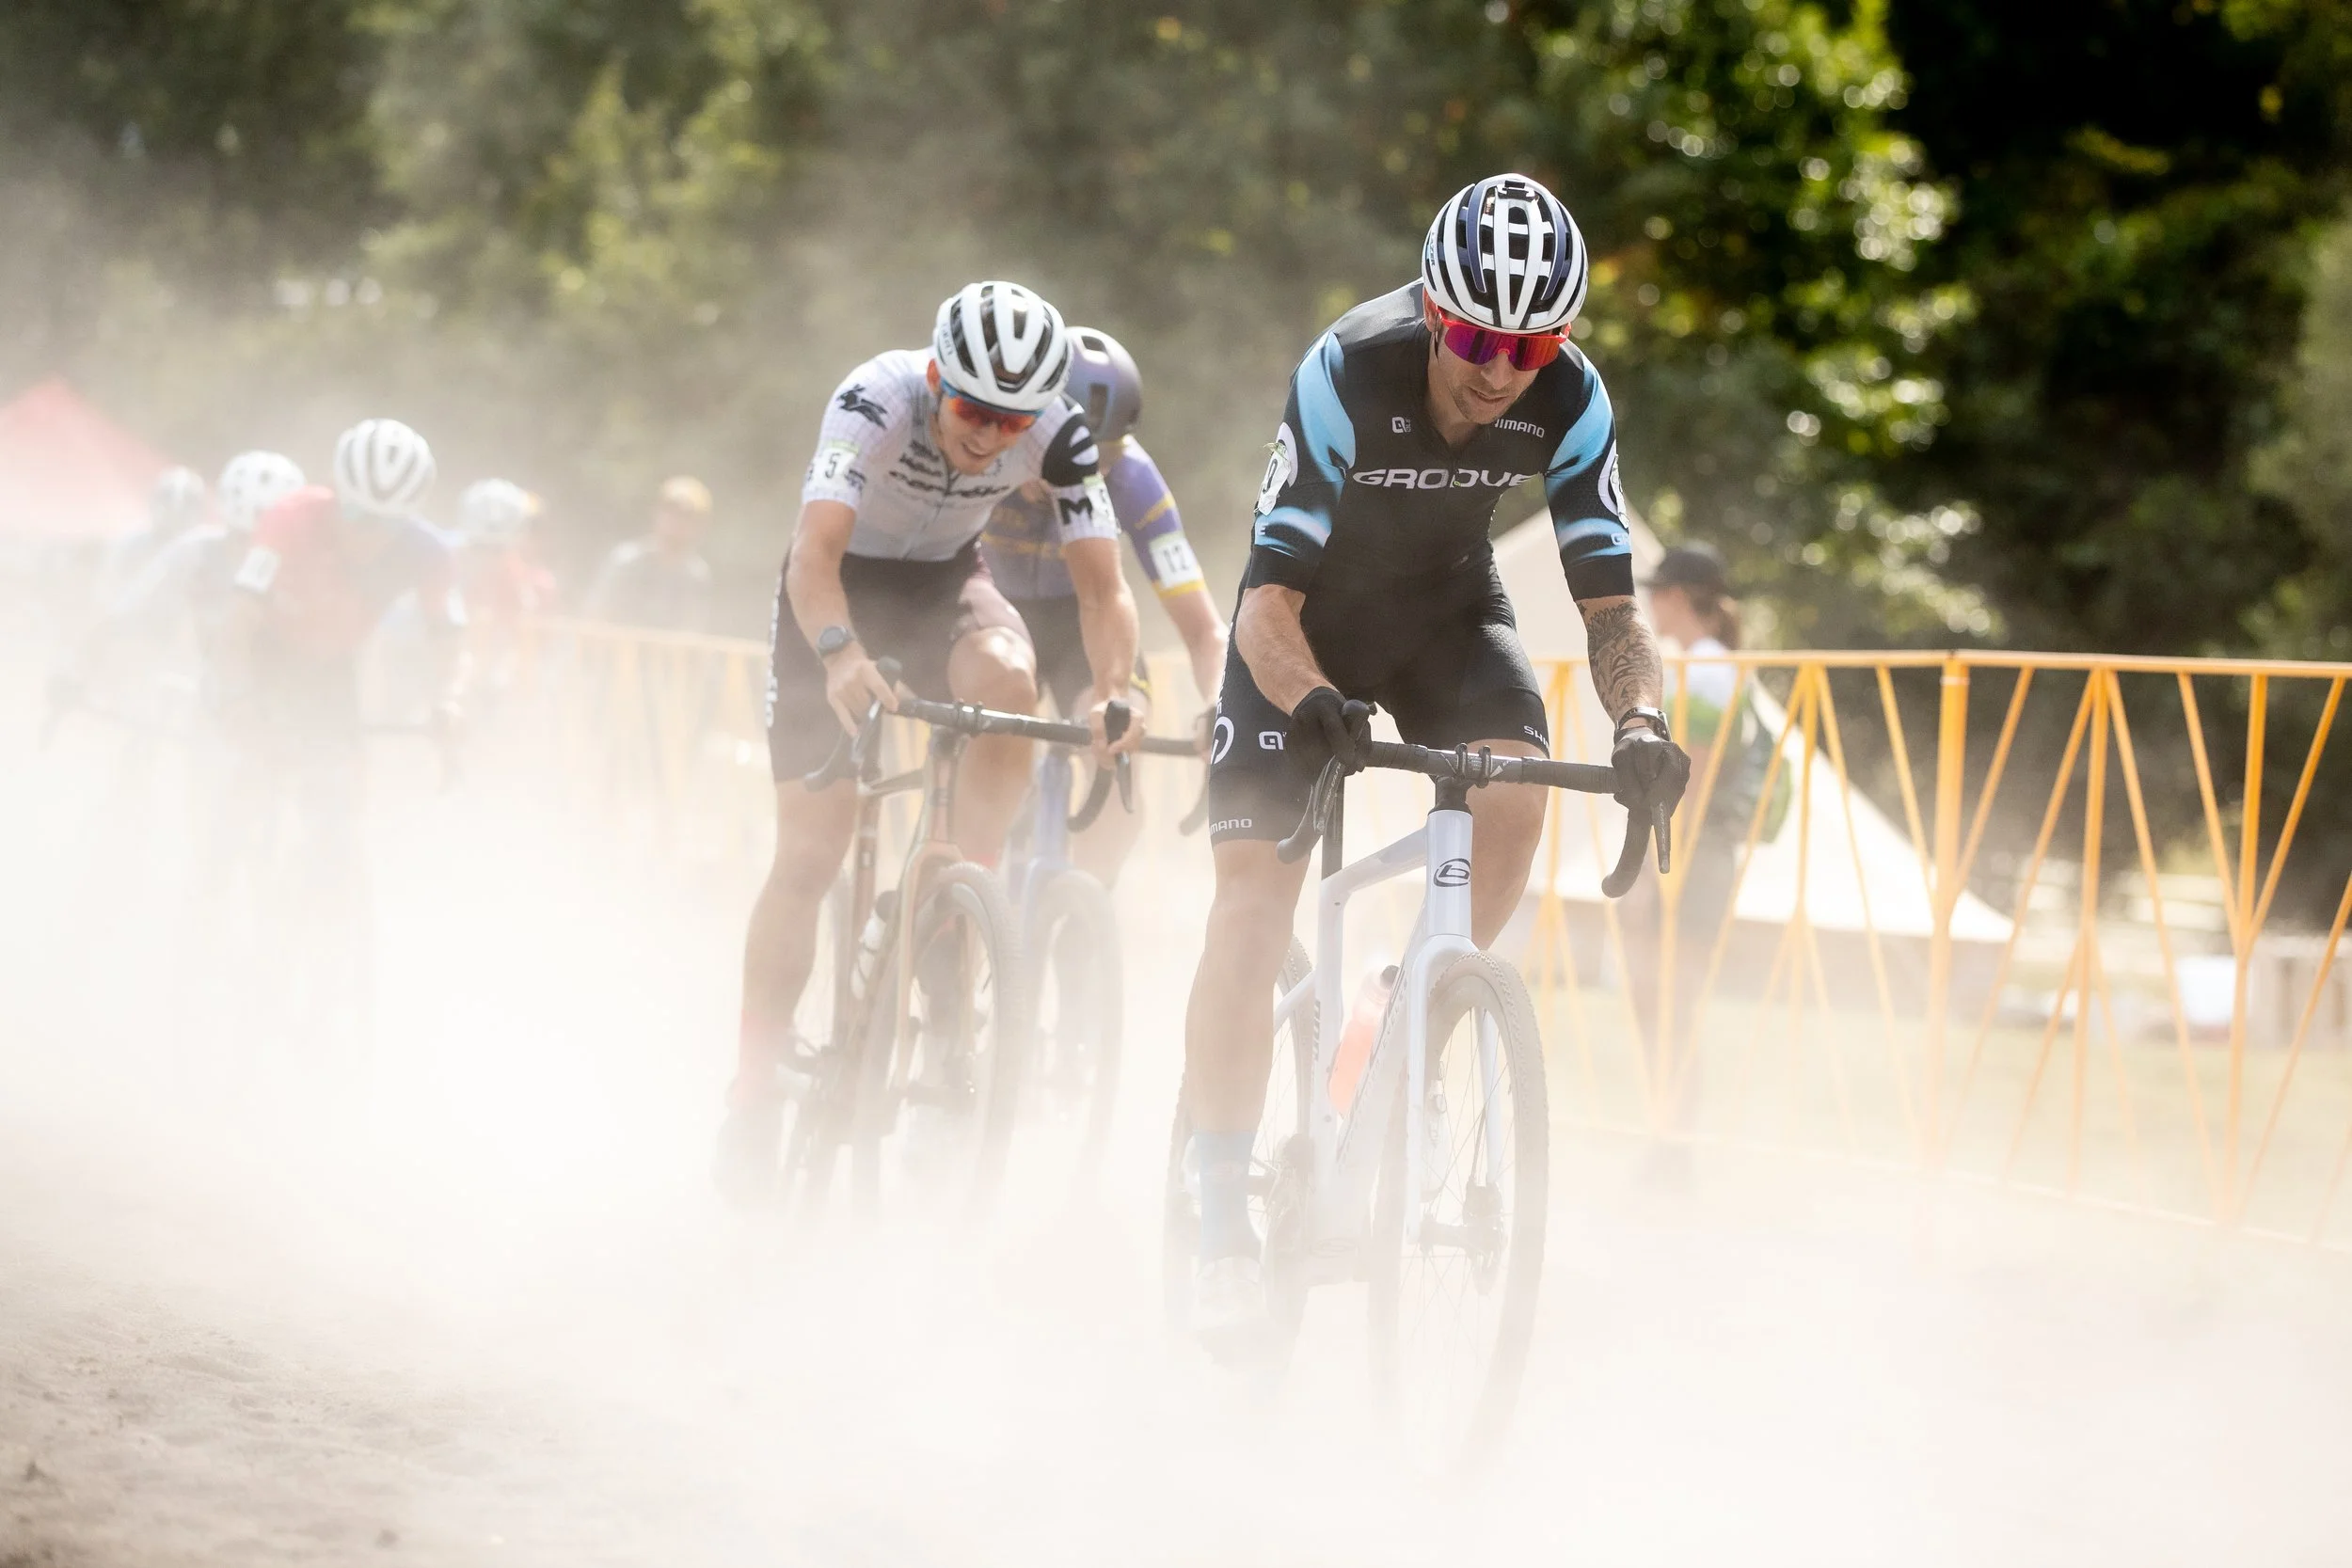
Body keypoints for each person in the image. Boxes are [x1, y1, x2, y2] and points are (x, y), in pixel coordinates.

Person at [1179, 174, 1692, 1335]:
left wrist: (1641, 722)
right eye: (1473, 339)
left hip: (1447, 615)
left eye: (1531, 345)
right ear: (1429, 309)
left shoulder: (1572, 397)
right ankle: (1217, 1220)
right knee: (1250, 910)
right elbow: (1264, 603)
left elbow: (1612, 613)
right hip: (1303, 626)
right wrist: (1310, 697)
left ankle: (1407, 1018)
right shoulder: (1348, 368)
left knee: (1513, 796)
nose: (1499, 370)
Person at [715, 279, 1148, 1200]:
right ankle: (751, 1093)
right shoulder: (873, 401)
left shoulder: (1058, 431)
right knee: (810, 855)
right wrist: (839, 654)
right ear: (936, 380)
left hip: (946, 583)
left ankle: (958, 895)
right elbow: (813, 554)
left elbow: (1104, 588)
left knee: (1011, 680)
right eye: (972, 411)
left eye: (1010, 421)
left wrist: (1116, 688)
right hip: (835, 594)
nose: (990, 437)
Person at [980, 325, 1229, 882]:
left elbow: (1205, 633)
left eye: (1105, 454)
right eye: (1067, 448)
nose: (1084, 471)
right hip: (997, 614)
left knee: (1119, 745)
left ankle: (1086, 905)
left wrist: (1221, 702)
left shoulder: (1135, 481)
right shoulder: (990, 454)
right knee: (981, 742)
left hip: (1085, 624)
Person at [1625, 544, 1767, 1180]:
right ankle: (1667, 1142)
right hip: (1694, 850)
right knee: (1663, 1003)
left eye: (1657, 592)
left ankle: (1672, 1147)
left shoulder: (1707, 670)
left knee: (1670, 1004)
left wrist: (1651, 871)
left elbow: (1695, 782)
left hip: (1691, 852)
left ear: (1678, 597)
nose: (1650, 605)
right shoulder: (1707, 665)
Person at [583, 475, 715, 632]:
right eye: (670, 511)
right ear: (657, 513)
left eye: (686, 516)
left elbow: (691, 632)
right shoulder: (626, 561)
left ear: (701, 525)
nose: (676, 521)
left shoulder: (696, 576)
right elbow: (595, 616)